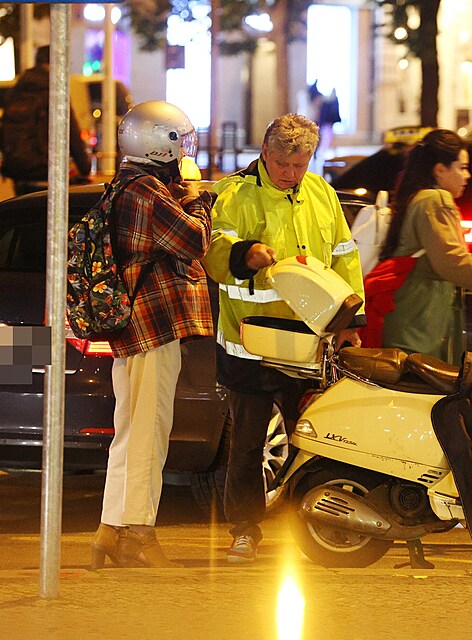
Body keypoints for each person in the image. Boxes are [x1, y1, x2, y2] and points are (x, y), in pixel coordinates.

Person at [202, 113, 365, 563]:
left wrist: (353, 321)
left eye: (300, 164)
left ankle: (306, 525)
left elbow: (344, 258)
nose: (292, 174)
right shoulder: (234, 194)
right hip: (250, 341)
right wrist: (245, 254)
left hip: (308, 342)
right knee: (248, 442)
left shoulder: (321, 193)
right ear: (264, 153)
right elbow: (214, 254)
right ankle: (244, 529)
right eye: (282, 165)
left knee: (313, 439)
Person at [90, 100, 215, 569]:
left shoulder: (130, 186)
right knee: (149, 431)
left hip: (137, 327)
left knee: (130, 430)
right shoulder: (146, 191)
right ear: (161, 144)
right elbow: (194, 241)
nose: (186, 151)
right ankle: (137, 534)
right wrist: (200, 197)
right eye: (181, 142)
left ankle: (109, 529)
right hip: (152, 326)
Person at [379, 128, 472, 364]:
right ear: (440, 169)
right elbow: (452, 263)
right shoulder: (435, 200)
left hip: (414, 325)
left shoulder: (420, 197)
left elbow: (451, 256)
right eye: (462, 168)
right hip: (419, 332)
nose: (467, 176)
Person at [0, 45, 92, 195]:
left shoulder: (16, 90)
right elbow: (71, 132)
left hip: (16, 171)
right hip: (45, 171)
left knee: (23, 213)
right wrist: (84, 168)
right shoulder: (54, 91)